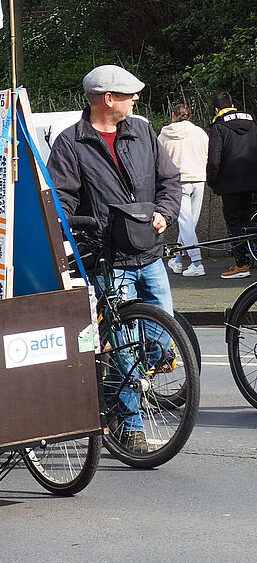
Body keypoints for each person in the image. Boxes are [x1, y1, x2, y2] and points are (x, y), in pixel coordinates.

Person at [47, 64, 181, 454]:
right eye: (128, 94)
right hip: (108, 260)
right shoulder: (71, 143)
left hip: (148, 253)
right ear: (108, 99)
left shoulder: (142, 131)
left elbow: (169, 181)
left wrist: (164, 212)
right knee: (123, 347)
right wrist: (72, 227)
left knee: (161, 343)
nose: (135, 99)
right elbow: (61, 199)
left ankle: (110, 394)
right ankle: (130, 423)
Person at [207, 91, 257, 279]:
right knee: (249, 221)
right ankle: (250, 255)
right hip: (252, 182)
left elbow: (214, 160)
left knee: (234, 223)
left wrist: (212, 180)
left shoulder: (218, 127)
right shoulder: (252, 124)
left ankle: (241, 264)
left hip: (229, 184)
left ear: (217, 109)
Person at [158, 103, 208, 277]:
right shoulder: (200, 133)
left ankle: (196, 263)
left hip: (177, 181)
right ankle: (178, 260)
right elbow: (207, 153)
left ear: (173, 115)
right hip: (199, 178)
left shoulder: (164, 135)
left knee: (186, 223)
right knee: (189, 224)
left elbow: (158, 159)